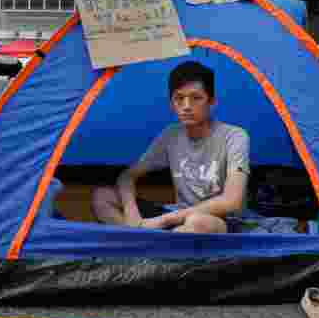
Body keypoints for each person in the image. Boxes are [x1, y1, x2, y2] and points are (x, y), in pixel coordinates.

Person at [91, 61, 251, 234]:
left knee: (197, 222)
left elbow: (232, 201)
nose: (186, 106)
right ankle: (143, 241)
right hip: (177, 215)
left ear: (212, 101)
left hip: (220, 220)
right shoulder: (171, 135)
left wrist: (163, 221)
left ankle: (151, 244)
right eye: (179, 98)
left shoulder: (235, 136)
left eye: (196, 98)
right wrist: (132, 213)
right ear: (171, 103)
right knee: (102, 197)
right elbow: (127, 176)